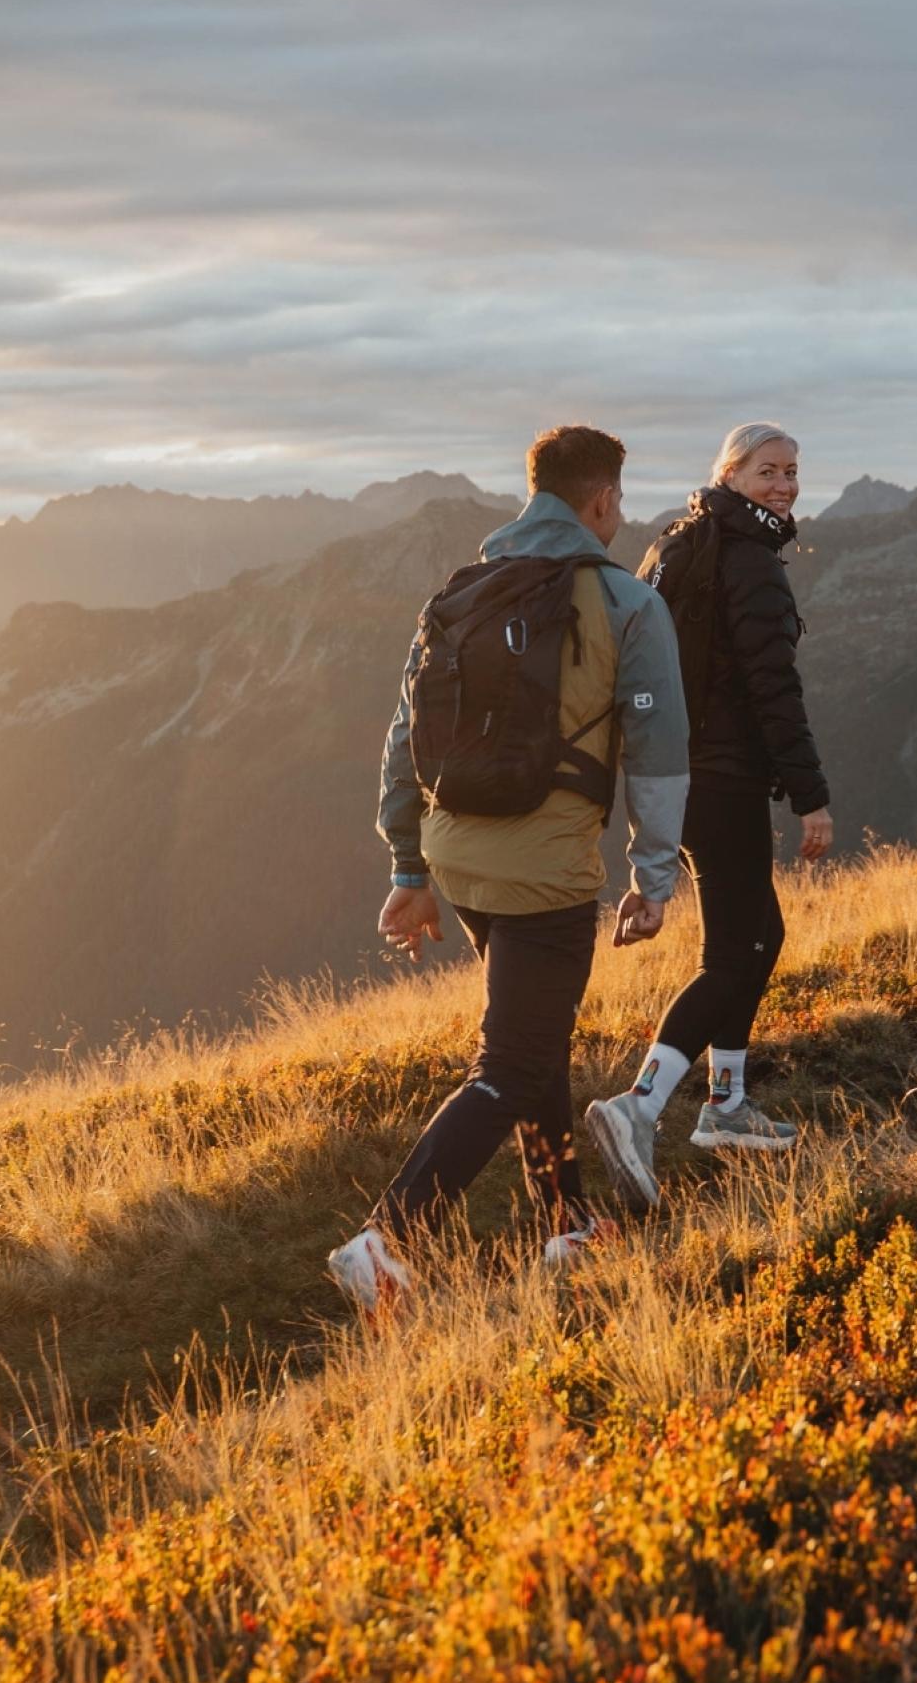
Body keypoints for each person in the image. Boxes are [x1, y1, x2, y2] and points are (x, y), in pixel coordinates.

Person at [327, 424, 690, 1308]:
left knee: (537, 1042)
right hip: (546, 871)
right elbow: (658, 751)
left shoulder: (461, 592)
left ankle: (565, 1224)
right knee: (509, 1061)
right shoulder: (627, 604)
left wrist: (410, 869)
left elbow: (403, 741)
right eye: (617, 502)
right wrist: (653, 876)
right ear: (600, 500)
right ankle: (386, 1239)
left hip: (461, 858)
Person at [585, 422, 832, 1212]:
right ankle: (640, 1108)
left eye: (792, 472)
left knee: (760, 937)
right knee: (735, 952)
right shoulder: (748, 558)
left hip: (678, 776)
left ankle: (727, 1106)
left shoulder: (676, 543)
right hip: (722, 779)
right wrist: (811, 794)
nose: (785, 485)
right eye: (769, 471)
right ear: (730, 473)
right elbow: (772, 689)